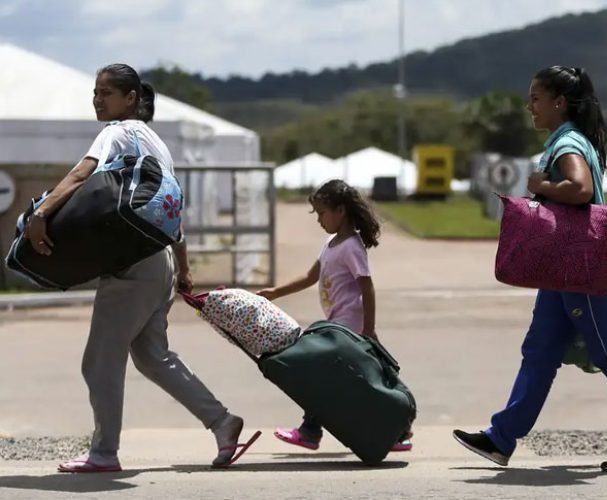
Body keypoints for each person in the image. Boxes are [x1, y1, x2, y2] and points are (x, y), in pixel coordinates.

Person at [24, 63, 259, 472]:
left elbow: (82, 174)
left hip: (132, 264)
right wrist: (182, 268)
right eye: (95, 93)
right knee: (152, 356)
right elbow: (168, 211)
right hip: (159, 260)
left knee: (99, 360)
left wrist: (40, 214)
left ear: (131, 99)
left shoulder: (116, 132)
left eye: (106, 93)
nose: (97, 100)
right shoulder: (157, 143)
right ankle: (222, 422)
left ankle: (103, 453)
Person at [453, 66, 607, 473]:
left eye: (535, 97)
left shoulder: (567, 143)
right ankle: (501, 438)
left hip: (581, 265)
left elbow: (580, 189)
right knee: (540, 350)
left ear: (559, 103)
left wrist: (541, 186)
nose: (529, 105)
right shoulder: (566, 140)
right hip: (562, 267)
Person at [258, 179, 412, 452]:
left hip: (349, 328)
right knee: (351, 382)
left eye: (322, 213)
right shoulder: (331, 243)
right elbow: (310, 277)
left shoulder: (352, 247)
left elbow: (367, 286)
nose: (319, 220)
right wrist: (275, 292)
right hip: (337, 325)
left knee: (323, 377)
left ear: (340, 211)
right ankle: (398, 433)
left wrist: (369, 329)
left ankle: (310, 431)